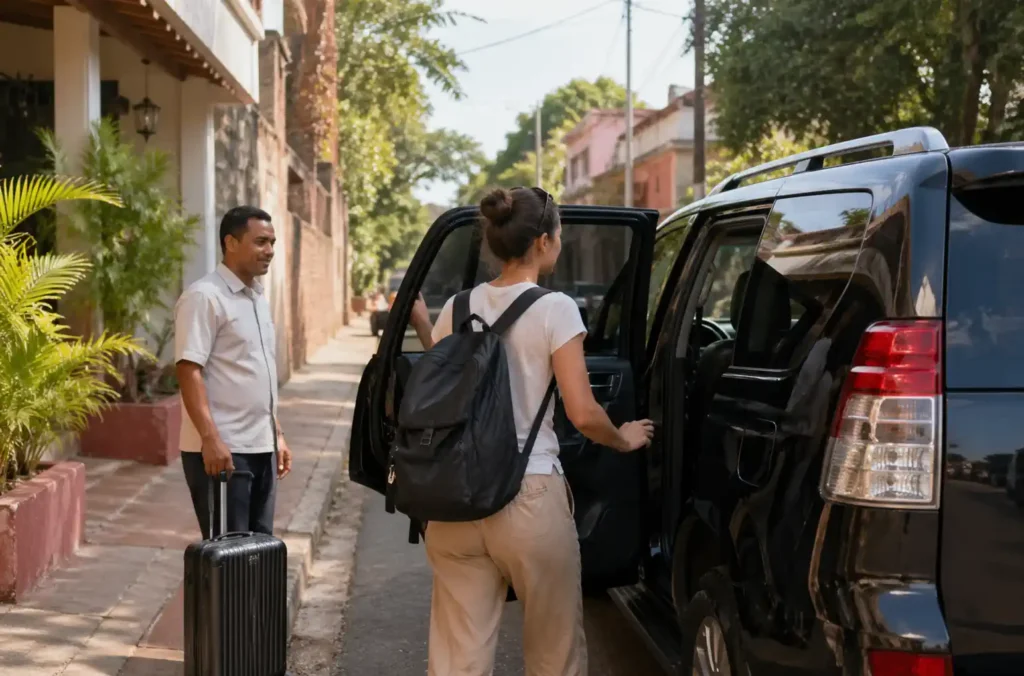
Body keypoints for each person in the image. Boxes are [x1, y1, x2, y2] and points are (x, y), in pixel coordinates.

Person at [407, 187, 654, 676]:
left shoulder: (458, 306)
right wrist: (623, 438)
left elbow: (441, 381)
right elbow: (582, 413)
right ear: (543, 242)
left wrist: (420, 321)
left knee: (458, 657)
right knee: (552, 653)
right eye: (559, 234)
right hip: (528, 495)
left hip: (455, 499)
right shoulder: (555, 308)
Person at [174, 205, 293, 540]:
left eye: (272, 242)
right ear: (230, 242)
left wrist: (277, 433)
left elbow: (259, 372)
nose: (269, 251)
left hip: (261, 446)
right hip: (223, 452)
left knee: (258, 551)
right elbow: (188, 369)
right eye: (260, 242)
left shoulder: (256, 297)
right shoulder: (204, 297)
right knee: (227, 556)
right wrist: (210, 440)